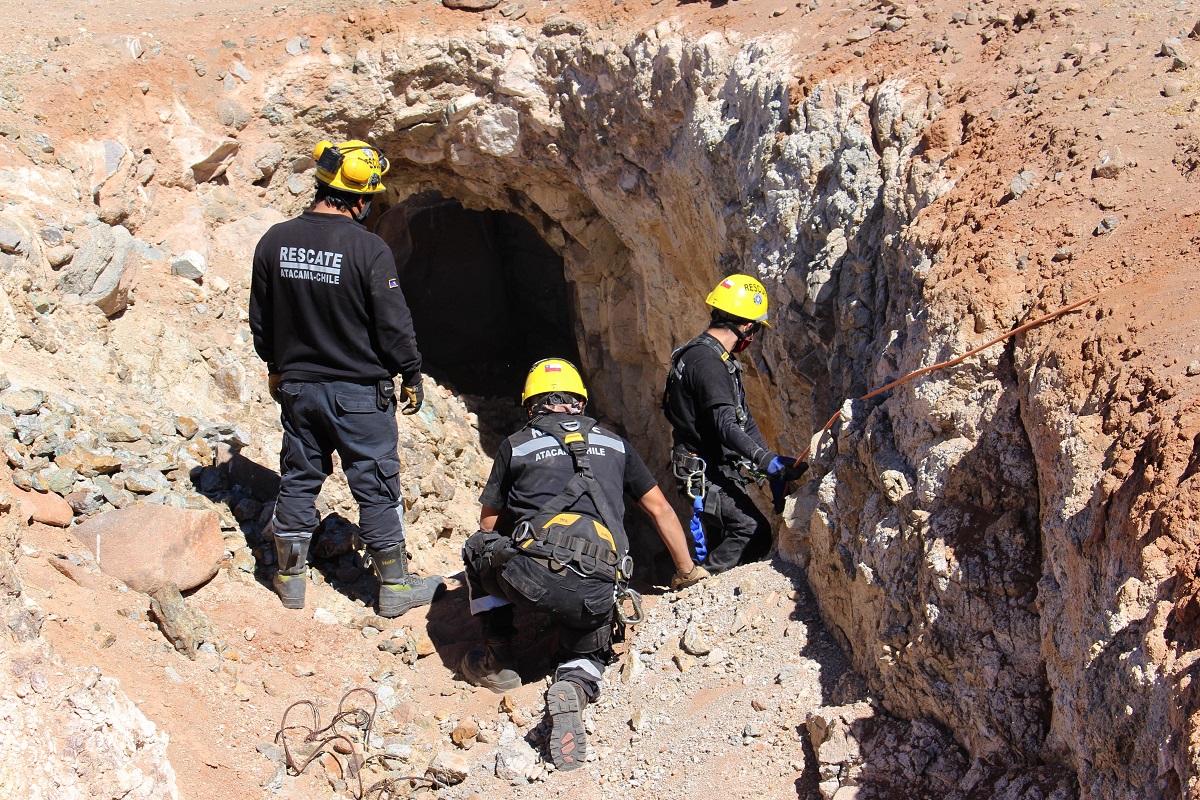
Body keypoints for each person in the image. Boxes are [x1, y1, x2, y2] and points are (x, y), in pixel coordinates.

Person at [459, 358, 707, 771]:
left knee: (477, 548)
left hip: (532, 577)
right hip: (598, 585)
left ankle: (499, 662)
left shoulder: (516, 445)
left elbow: (488, 527)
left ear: (531, 406)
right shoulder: (615, 444)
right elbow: (661, 510)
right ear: (580, 402)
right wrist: (687, 571)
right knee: (589, 642)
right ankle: (574, 685)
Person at [249, 138, 443, 618]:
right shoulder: (368, 249)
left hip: (298, 388)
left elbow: (261, 320)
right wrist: (411, 372)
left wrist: (276, 368)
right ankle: (394, 587)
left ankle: (290, 578)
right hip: (358, 394)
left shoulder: (274, 240)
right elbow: (393, 323)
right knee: (376, 484)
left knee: (299, 477)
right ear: (360, 200)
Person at [661, 274, 808, 574]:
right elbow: (725, 426)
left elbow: (743, 419)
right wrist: (766, 461)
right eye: (755, 329)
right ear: (746, 326)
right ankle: (702, 585)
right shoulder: (709, 363)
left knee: (725, 537)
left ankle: (709, 585)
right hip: (705, 469)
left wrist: (769, 468)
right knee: (752, 530)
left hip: (708, 466)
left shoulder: (704, 354)